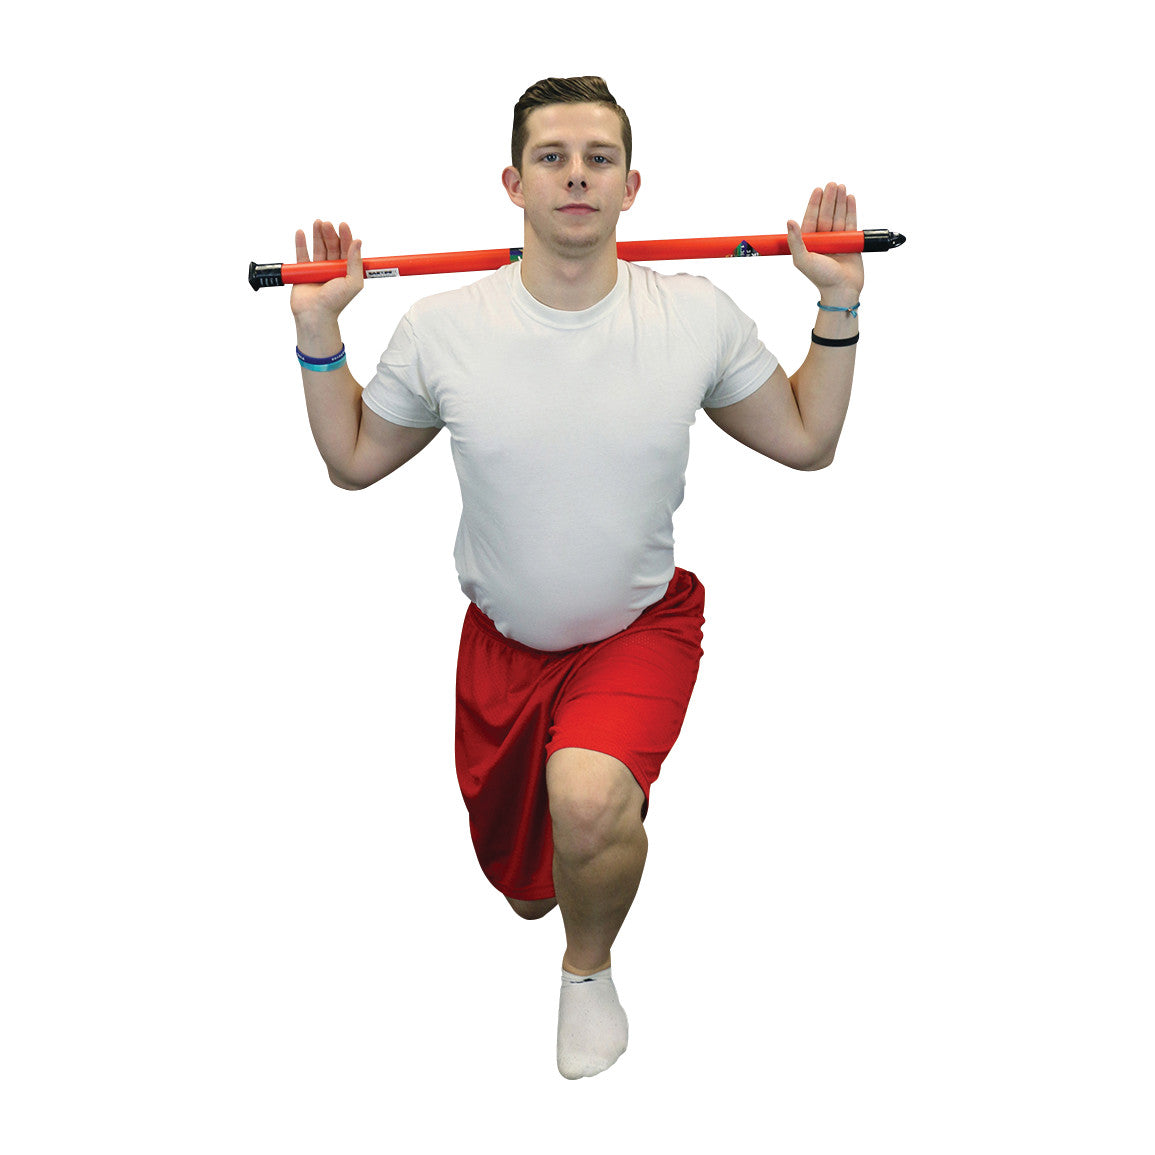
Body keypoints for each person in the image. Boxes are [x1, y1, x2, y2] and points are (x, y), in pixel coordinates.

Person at [288, 76, 864, 1079]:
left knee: (588, 801)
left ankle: (588, 968)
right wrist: (318, 333)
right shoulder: (443, 326)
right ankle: (582, 844)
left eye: (599, 159)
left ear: (631, 187)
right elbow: (353, 461)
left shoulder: (693, 317)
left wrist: (838, 301)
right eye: (551, 157)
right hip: (504, 651)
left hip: (638, 629)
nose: (576, 176)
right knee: (527, 890)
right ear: (514, 183)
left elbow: (808, 440)